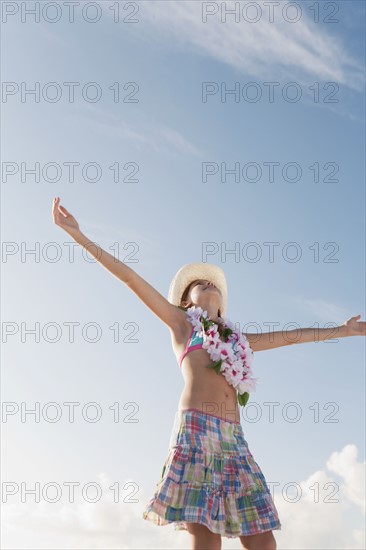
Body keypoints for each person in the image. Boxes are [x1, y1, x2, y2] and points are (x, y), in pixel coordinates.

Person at [52, 196, 366, 550]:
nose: (210, 284)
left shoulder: (239, 340)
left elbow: (292, 337)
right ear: (187, 300)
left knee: (263, 542)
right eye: (201, 283)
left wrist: (343, 331)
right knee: (206, 538)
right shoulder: (181, 325)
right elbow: (130, 279)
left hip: (235, 441)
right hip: (197, 430)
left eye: (213, 282)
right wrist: (80, 236)